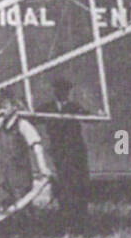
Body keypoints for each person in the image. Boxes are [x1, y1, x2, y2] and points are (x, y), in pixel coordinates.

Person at [36, 78, 91, 221]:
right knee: (63, 180)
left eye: (64, 90)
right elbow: (34, 117)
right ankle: (65, 211)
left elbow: (88, 117)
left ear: (68, 92)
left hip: (75, 150)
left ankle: (80, 212)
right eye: (58, 89)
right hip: (59, 151)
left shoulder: (74, 107)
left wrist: (98, 114)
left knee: (78, 180)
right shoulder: (48, 108)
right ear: (55, 91)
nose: (61, 93)